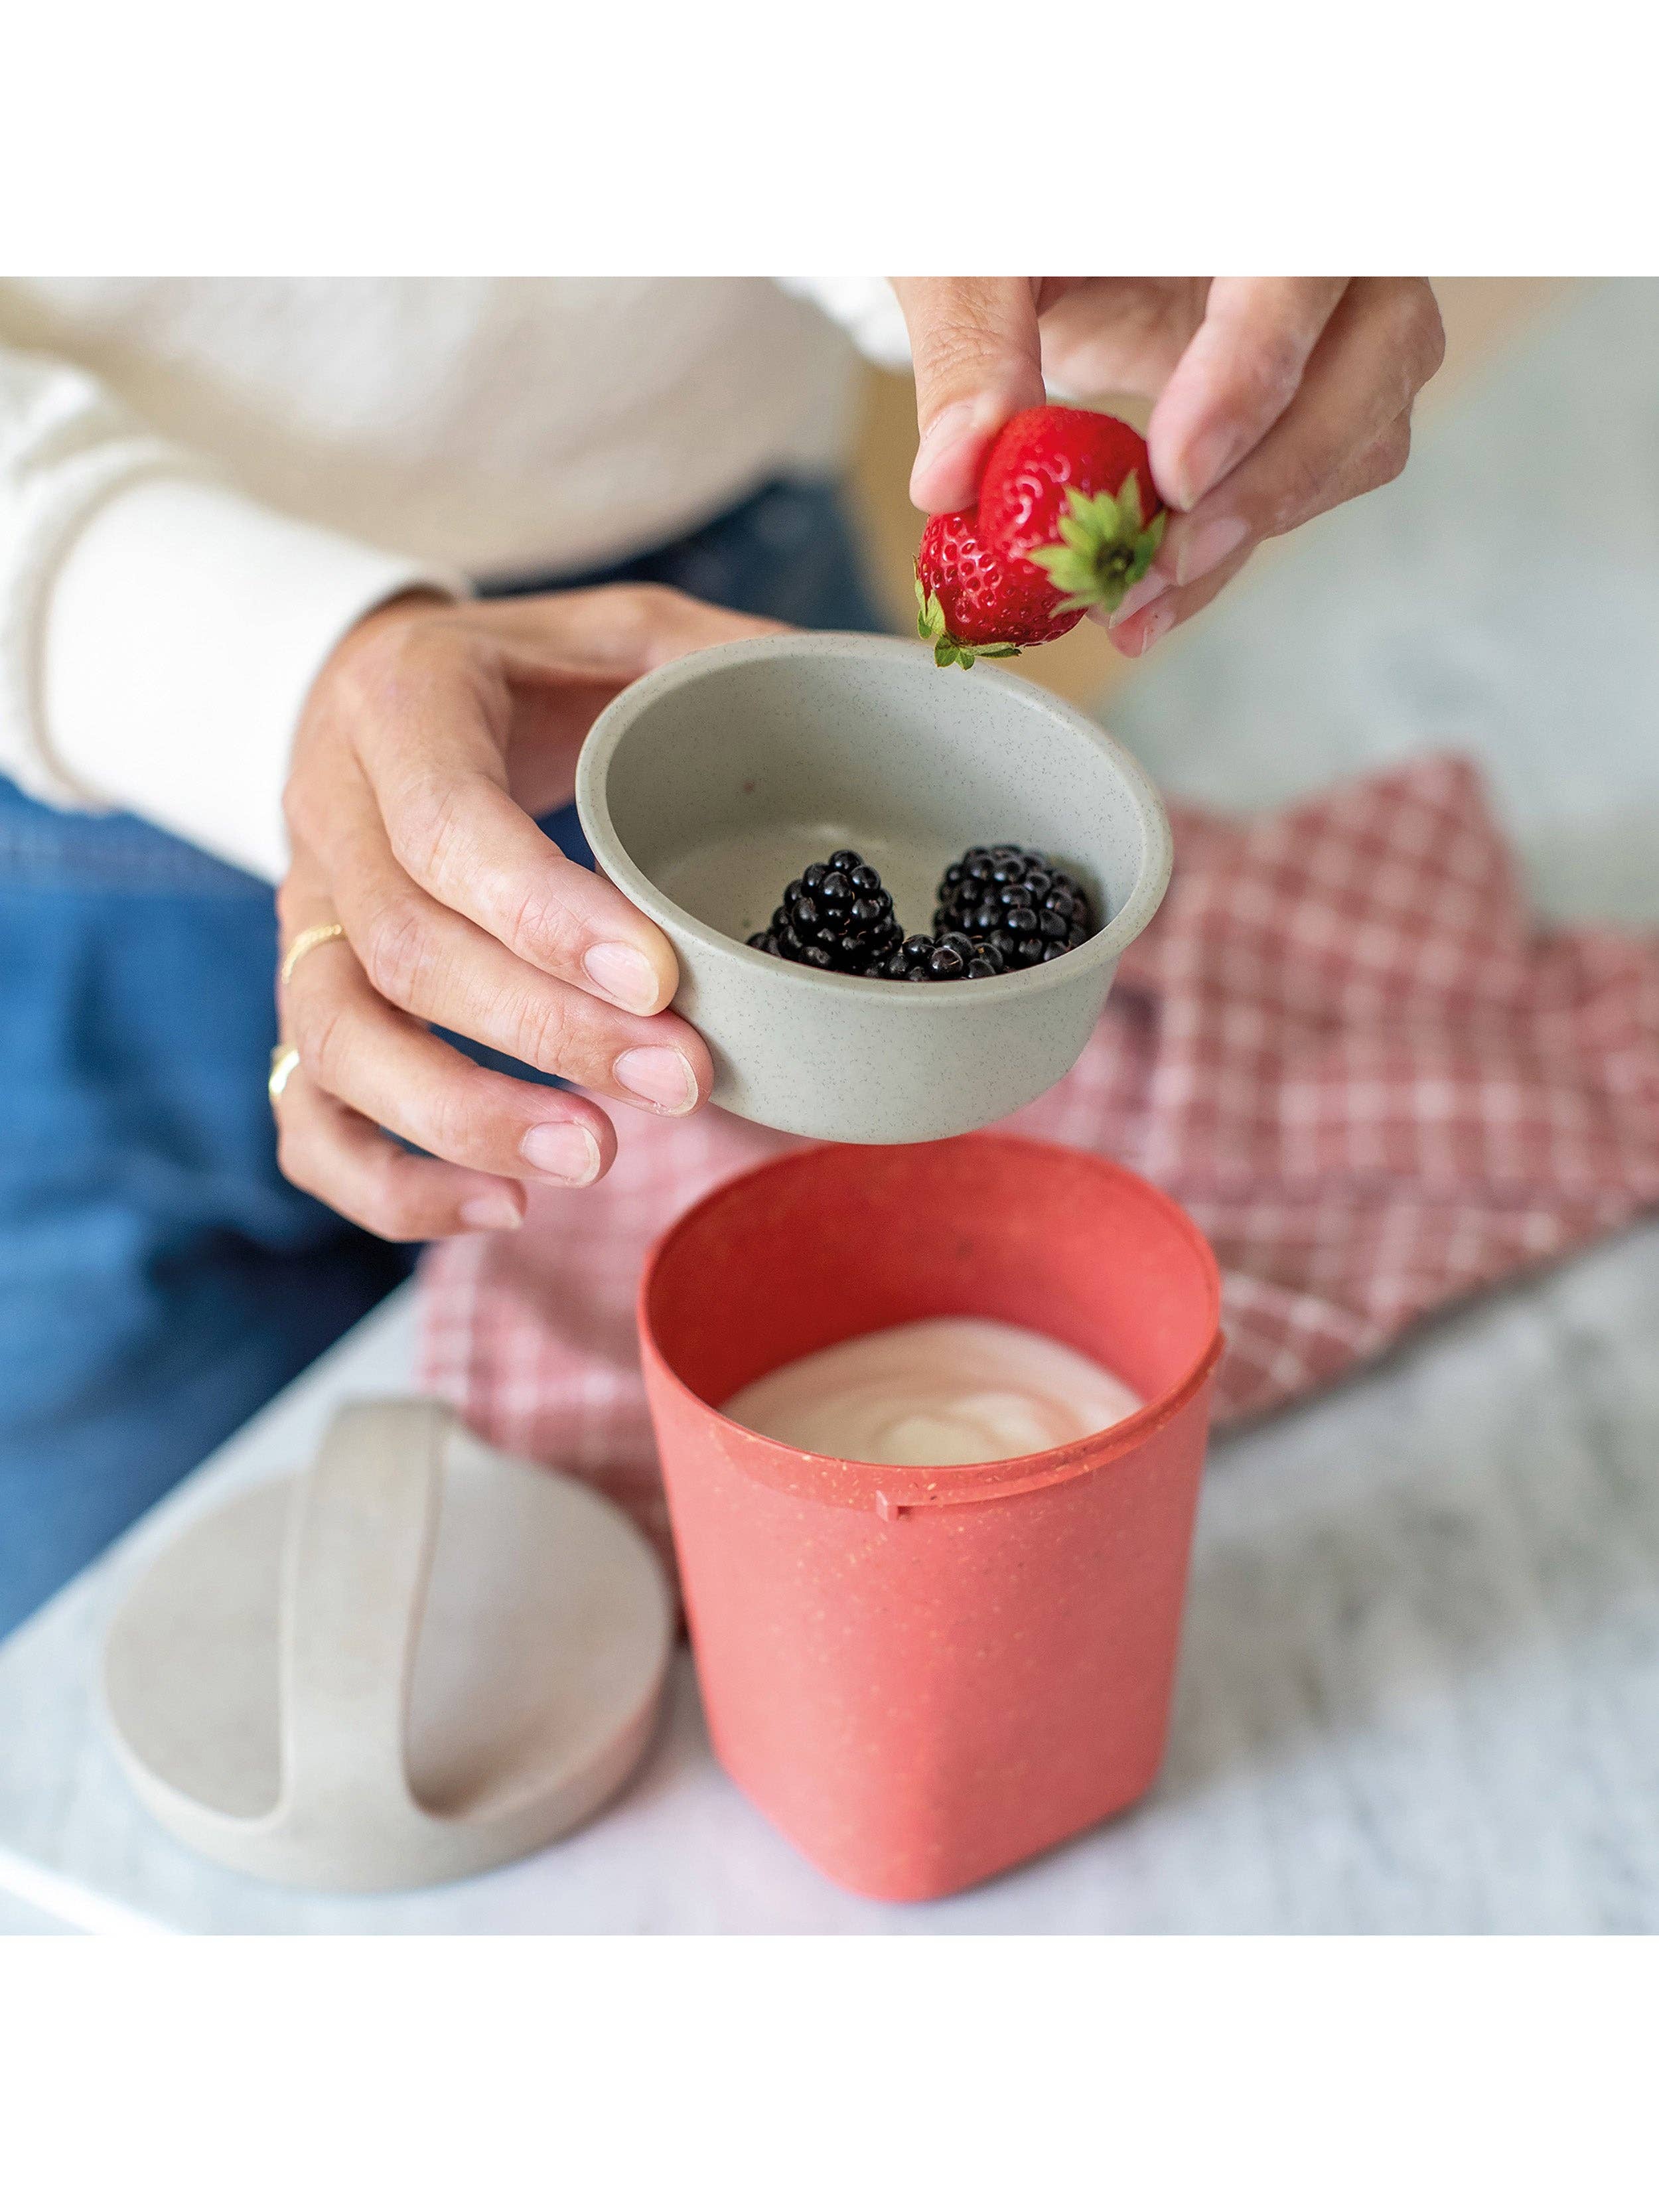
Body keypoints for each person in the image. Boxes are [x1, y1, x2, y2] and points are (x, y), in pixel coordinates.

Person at [0, 276, 1443, 1632]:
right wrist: (262, 668)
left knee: (841, 1588)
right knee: (161, 1651)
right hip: (84, 758)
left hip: (726, 617)